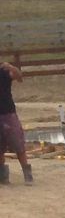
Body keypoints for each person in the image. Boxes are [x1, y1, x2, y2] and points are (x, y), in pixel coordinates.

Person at [0, 51, 29, 185]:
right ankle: (3, 177)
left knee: (18, 144)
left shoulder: (5, 70)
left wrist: (11, 67)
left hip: (8, 112)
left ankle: (27, 174)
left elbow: (20, 77)